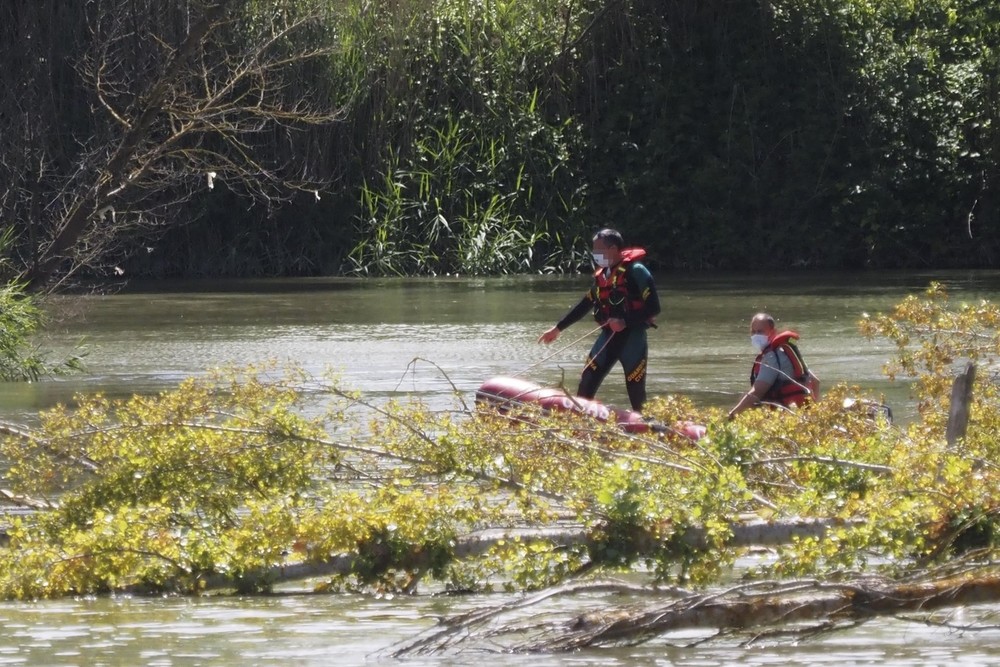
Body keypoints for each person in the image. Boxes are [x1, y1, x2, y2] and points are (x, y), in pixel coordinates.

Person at [538, 228, 660, 412]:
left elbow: (654, 308)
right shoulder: (603, 276)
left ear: (612, 249)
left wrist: (624, 322)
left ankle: (645, 428)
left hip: (633, 340)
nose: (594, 253)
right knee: (586, 382)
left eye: (598, 249)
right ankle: (581, 424)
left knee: (636, 393)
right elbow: (585, 304)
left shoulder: (637, 272)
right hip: (607, 339)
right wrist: (557, 328)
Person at [727, 312, 820, 420]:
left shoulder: (771, 357)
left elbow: (757, 392)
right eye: (753, 332)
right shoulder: (785, 351)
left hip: (785, 417)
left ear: (772, 332)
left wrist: (732, 415)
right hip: (802, 415)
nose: (756, 335)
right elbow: (815, 381)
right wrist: (814, 412)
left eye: (760, 331)